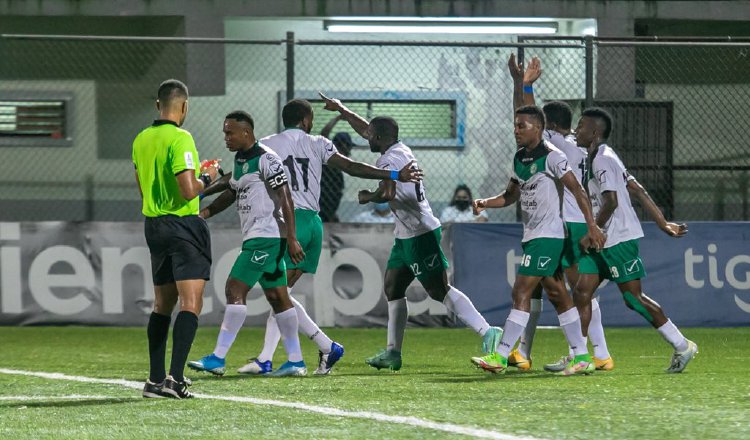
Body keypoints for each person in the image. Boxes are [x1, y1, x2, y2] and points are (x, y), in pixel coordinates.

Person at [233, 98, 424, 376]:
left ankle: (306, 351)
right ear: (307, 121)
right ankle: (294, 352)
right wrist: (394, 173)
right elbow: (351, 167)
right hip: (313, 223)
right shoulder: (319, 143)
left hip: (289, 222)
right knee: (281, 293)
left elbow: (246, 172)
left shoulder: (266, 144)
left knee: (278, 293)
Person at [320, 93, 503, 372]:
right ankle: (393, 352)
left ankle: (487, 331)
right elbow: (368, 130)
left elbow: (388, 191)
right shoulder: (398, 149)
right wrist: (342, 110)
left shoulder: (387, 160)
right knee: (393, 286)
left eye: (370, 135)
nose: (365, 137)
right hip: (405, 233)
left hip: (420, 232)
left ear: (379, 137)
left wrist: (369, 196)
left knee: (438, 290)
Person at [469, 105, 606, 376]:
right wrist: (485, 202)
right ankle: (582, 356)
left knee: (521, 291)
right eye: (515, 125)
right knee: (558, 295)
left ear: (539, 128)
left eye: (522, 126)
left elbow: (578, 191)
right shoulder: (519, 157)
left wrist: (592, 226)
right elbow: (511, 195)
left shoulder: (552, 157)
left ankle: (502, 354)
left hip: (550, 236)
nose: (516, 130)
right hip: (533, 235)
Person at [505, 54, 615, 373]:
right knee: (550, 287)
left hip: (565, 224)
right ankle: (527, 352)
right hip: (573, 220)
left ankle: (592, 352)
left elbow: (525, 114)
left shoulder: (554, 144)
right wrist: (519, 83)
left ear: (548, 126)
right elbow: (525, 115)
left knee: (572, 291)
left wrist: (525, 85)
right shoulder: (575, 148)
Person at [572, 107, 698, 373]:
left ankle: (681, 344)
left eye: (581, 126)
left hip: (617, 238)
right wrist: (662, 222)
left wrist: (592, 229)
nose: (576, 130)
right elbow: (636, 188)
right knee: (582, 292)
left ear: (595, 132)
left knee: (633, 298)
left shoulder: (602, 159)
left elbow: (612, 201)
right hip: (604, 238)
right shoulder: (600, 156)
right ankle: (580, 356)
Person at [187, 111, 310, 377]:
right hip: (263, 237)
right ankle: (296, 361)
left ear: (246, 132)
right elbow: (231, 192)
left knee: (234, 288)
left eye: (230, 132)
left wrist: (292, 237)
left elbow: (285, 196)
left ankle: (218, 358)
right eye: (224, 132)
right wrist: (204, 213)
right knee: (278, 298)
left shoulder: (267, 159)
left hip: (265, 238)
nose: (226, 138)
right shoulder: (242, 160)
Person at [132, 79, 220, 399]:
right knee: (191, 302)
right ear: (184, 106)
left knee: (162, 304)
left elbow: (142, 188)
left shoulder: (141, 139)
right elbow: (188, 189)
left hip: (154, 225)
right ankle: (176, 379)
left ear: (158, 105)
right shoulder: (181, 138)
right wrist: (208, 177)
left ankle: (155, 380)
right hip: (183, 225)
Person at [319, 115, 355, 222]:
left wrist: (332, 215)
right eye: (348, 148)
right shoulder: (324, 166)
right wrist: (336, 119)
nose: (349, 152)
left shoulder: (338, 176)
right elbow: (323, 136)